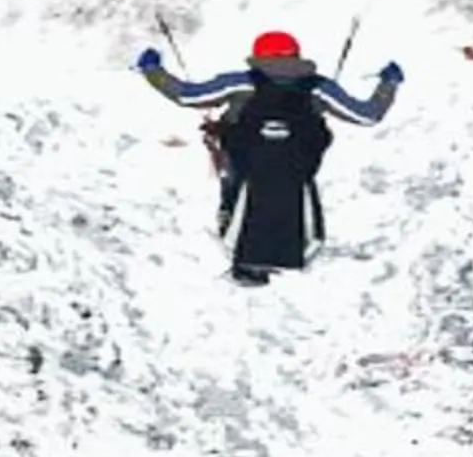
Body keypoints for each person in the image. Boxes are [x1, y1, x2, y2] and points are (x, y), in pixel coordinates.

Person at [135, 30, 404, 284]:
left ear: (258, 56)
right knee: (290, 191)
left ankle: (243, 250)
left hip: (243, 159)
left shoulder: (238, 82)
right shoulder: (319, 88)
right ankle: (288, 249)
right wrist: (389, 83)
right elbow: (367, 115)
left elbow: (186, 95)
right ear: (296, 55)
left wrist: (151, 70)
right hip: (296, 163)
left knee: (238, 193)